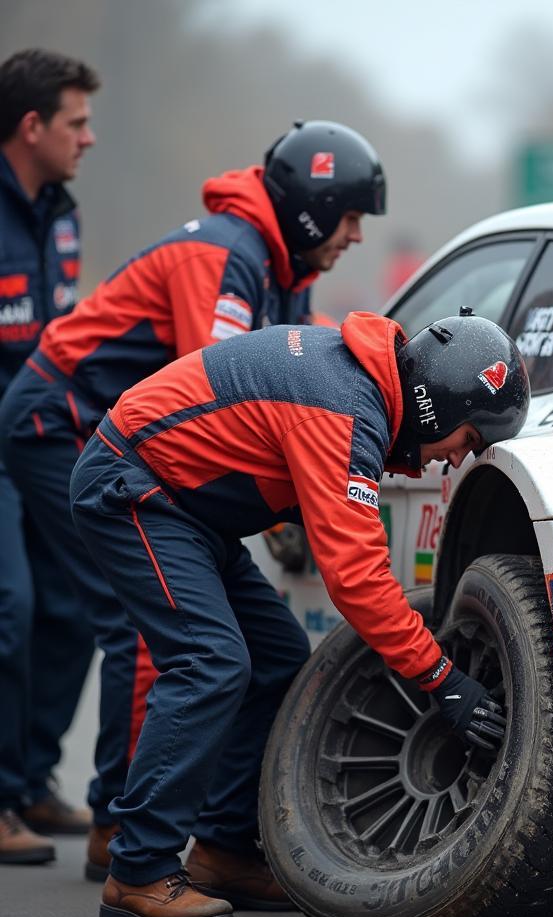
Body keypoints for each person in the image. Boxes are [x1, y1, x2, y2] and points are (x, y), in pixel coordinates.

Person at [0, 120, 384, 877]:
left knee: (88, 613)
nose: (356, 237)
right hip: (60, 419)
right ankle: (121, 831)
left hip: (110, 432)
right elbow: (207, 398)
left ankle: (55, 791)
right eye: (348, 218)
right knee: (143, 625)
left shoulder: (280, 267)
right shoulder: (225, 257)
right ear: (312, 208)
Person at [67, 308, 527, 917]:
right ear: (437, 405)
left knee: (280, 655)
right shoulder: (343, 408)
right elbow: (357, 579)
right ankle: (139, 870)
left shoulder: (358, 387)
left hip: (186, 506)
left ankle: (222, 850)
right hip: (135, 489)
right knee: (210, 662)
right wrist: (443, 678)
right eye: (467, 440)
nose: (453, 460)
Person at [0, 48, 100, 863]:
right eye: (77, 122)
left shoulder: (60, 210)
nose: (89, 138)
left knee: (77, 603)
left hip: (43, 432)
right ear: (31, 126)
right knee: (11, 607)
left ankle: (31, 780)